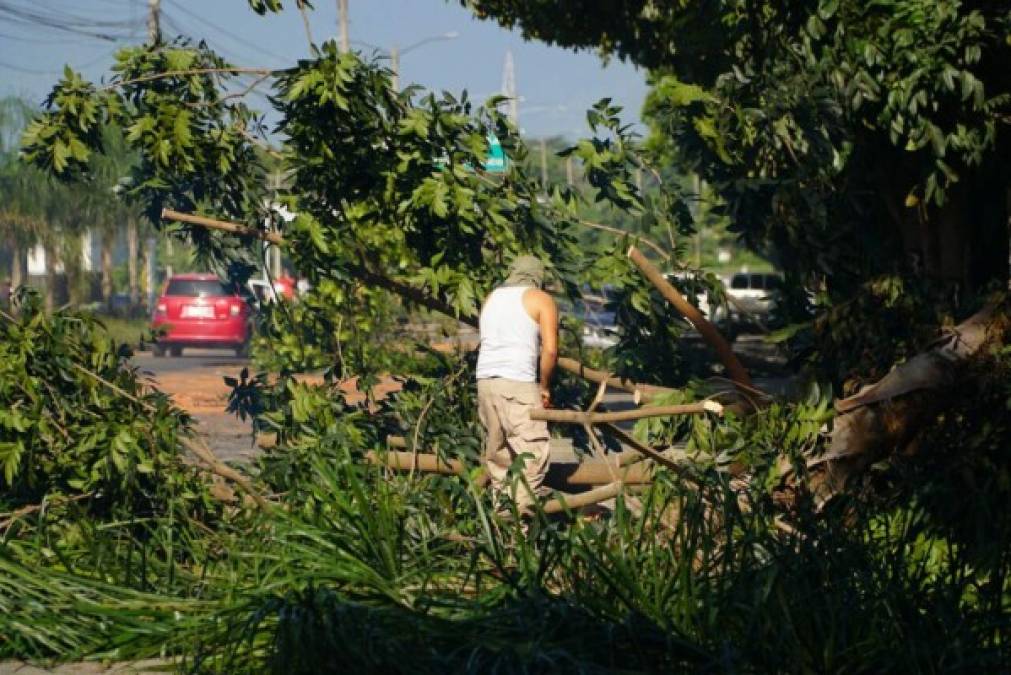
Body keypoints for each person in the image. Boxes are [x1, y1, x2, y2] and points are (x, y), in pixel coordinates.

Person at [475, 255, 558, 515]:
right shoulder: (540, 299)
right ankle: (517, 532)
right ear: (538, 276)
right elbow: (551, 350)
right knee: (532, 456)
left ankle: (501, 533)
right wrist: (544, 386)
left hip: (485, 381)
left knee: (501, 459)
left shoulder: (491, 298)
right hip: (517, 382)